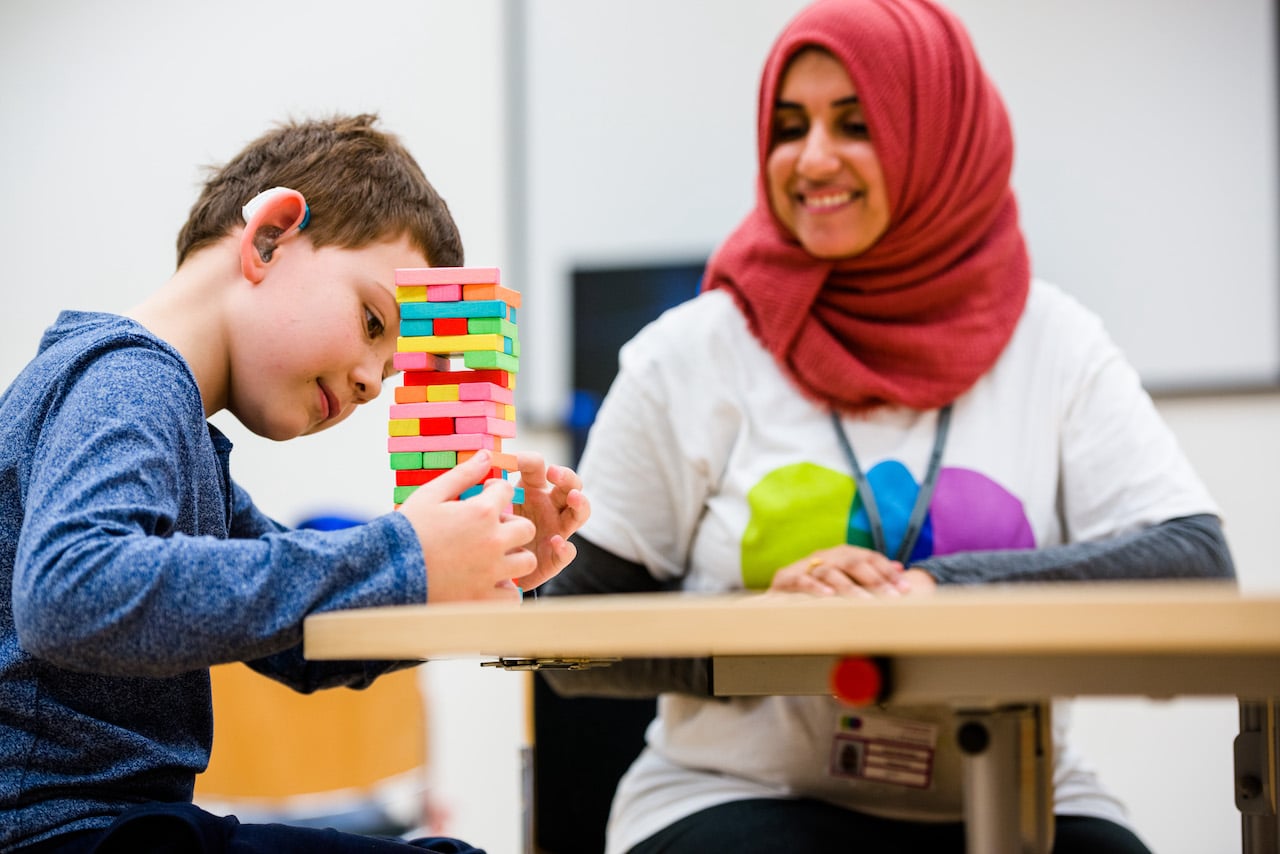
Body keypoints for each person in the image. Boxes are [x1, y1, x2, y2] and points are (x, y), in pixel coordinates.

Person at [539, 2, 1234, 853]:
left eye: (857, 123)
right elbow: (564, 642)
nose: (813, 158)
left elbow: (1194, 565)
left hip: (1017, 791)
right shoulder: (688, 355)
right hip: (736, 795)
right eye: (789, 126)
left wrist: (943, 592)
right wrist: (757, 623)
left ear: (938, 139)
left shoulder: (1054, 344)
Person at [0, 113, 589, 853]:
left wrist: (462, 574)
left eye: (393, 367)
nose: (374, 381)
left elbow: (301, 644)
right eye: (374, 323)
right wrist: (406, 555)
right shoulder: (128, 379)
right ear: (270, 236)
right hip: (59, 837)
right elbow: (68, 591)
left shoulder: (167, 417)